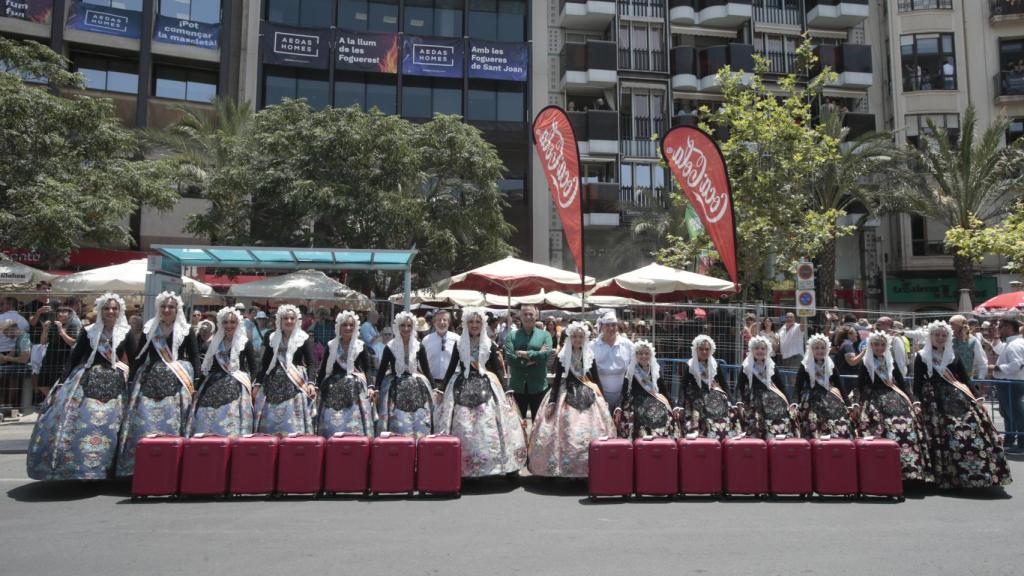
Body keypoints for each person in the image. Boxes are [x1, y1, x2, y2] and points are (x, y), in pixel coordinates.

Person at [27, 293, 135, 481]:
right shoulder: (89, 331)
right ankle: (82, 468)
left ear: (119, 311)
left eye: (114, 308)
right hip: (86, 379)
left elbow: (133, 360)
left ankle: (110, 467)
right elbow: (75, 357)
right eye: (106, 308)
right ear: (100, 310)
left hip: (116, 382)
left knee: (113, 425)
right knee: (82, 422)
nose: (110, 311)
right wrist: (63, 381)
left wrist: (133, 384)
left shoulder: (126, 332)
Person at [914, 321, 1011, 489]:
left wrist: (978, 397)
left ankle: (977, 474)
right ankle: (947, 476)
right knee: (943, 437)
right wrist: (916, 401)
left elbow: (965, 379)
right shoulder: (922, 356)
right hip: (934, 402)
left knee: (970, 431)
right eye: (937, 335)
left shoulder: (954, 355)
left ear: (948, 337)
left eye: (944, 335)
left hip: (958, 398)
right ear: (930, 336)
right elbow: (917, 383)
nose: (940, 338)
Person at [116, 291, 199, 477]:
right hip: (150, 377)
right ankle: (141, 465)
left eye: (171, 307)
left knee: (175, 418)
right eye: (163, 306)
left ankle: (173, 464)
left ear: (177, 309)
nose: (167, 310)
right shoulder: (150, 328)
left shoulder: (186, 330)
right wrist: (131, 378)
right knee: (143, 417)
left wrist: (197, 381)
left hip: (178, 379)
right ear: (158, 308)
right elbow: (140, 355)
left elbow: (194, 356)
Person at [437, 307, 527, 478]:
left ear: (482, 324)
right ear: (465, 324)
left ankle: (490, 466)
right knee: (463, 425)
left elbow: (498, 369)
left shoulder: (489, 344)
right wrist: (441, 389)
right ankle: (463, 468)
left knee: (489, 425)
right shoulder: (459, 344)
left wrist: (506, 389)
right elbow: (451, 368)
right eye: (471, 322)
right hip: (462, 385)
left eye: (478, 322)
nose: (474, 325)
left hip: (487, 386)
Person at [527, 321, 615, 478]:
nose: (577, 339)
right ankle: (567, 468)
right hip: (566, 392)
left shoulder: (589, 355)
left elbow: (596, 379)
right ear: (570, 338)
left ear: (585, 339)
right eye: (575, 336)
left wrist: (603, 397)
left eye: (581, 337)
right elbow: (556, 380)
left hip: (588, 391)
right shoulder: (563, 356)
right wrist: (552, 400)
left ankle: (589, 468)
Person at [851, 331, 932, 482]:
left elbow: (902, 384)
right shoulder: (866, 362)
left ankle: (910, 470)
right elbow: (859, 385)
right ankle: (883, 471)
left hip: (894, 397)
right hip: (873, 399)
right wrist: (856, 402)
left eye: (883, 345)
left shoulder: (891, 362)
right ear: (871, 346)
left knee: (908, 425)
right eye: (876, 345)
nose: (879, 348)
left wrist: (913, 400)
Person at [187, 306, 257, 437]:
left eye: (232, 322)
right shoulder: (214, 343)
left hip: (237, 383)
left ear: (238, 324)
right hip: (214, 382)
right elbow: (207, 368)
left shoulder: (245, 343)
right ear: (220, 324)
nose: (229, 325)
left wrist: (253, 386)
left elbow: (253, 367)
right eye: (225, 322)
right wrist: (197, 387)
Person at [254, 304, 317, 435]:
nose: (289, 321)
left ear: (296, 320)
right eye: (286, 318)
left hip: (296, 383)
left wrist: (311, 382)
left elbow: (311, 362)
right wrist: (258, 383)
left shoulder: (303, 338)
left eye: (292, 318)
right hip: (272, 382)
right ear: (280, 320)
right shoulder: (272, 337)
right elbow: (265, 364)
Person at [374, 311, 434, 437]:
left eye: (409, 326)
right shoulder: (390, 346)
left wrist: (435, 389)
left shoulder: (419, 346)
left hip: (417, 386)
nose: (406, 329)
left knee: (419, 418)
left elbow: (426, 369)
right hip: (395, 385)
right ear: (397, 327)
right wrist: (376, 388)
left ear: (413, 327)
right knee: (397, 419)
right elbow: (382, 369)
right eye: (402, 325)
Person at [316, 310, 374, 437]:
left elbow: (368, 368)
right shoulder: (331, 345)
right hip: (332, 387)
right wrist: (316, 386)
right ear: (339, 327)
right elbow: (324, 368)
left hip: (355, 387)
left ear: (355, 327)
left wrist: (370, 386)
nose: (348, 328)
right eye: (345, 325)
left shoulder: (360, 346)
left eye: (351, 325)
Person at [679, 335, 742, 439]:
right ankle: (696, 430)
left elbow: (724, 385)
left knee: (725, 403)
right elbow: (683, 385)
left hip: (713, 393)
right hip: (696, 394)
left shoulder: (715, 365)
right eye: (701, 349)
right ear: (696, 350)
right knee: (698, 404)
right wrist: (679, 404)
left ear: (711, 350)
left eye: (707, 349)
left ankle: (728, 431)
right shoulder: (690, 365)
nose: (704, 352)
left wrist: (733, 401)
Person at [737, 336, 799, 439]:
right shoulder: (746, 366)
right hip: (752, 399)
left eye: (763, 348)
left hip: (772, 399)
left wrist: (791, 403)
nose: (760, 351)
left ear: (767, 350)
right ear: (752, 350)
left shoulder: (772, 366)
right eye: (757, 348)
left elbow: (781, 386)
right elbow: (740, 386)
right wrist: (739, 402)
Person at [795, 333, 854, 439]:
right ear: (811, 350)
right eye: (816, 348)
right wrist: (794, 402)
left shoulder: (831, 365)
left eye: (823, 348)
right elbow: (797, 386)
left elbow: (840, 385)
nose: (820, 350)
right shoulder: (805, 365)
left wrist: (847, 403)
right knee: (812, 420)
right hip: (810, 398)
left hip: (829, 396)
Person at [614, 340, 675, 439]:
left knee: (665, 413)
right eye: (640, 353)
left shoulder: (655, 370)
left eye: (646, 353)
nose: (644, 356)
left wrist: (675, 406)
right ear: (636, 355)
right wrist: (618, 406)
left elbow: (664, 390)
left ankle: (661, 441)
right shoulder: (631, 371)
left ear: (650, 355)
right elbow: (624, 391)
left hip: (654, 401)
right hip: (636, 403)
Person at [504, 305, 552, 421]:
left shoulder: (545, 335)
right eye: (525, 314)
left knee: (539, 423)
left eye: (531, 314)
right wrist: (535, 356)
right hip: (517, 387)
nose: (528, 317)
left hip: (539, 386)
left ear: (536, 316)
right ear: (520, 316)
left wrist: (524, 353)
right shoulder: (512, 336)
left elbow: (546, 356)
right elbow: (510, 359)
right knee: (517, 424)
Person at [989, 318, 1024, 453]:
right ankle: (1010, 440)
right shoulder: (1012, 343)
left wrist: (996, 368)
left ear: (1009, 327)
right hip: (1009, 383)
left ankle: (1021, 444)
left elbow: (1017, 364)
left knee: (1015, 414)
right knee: (1008, 413)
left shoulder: (1015, 344)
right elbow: (999, 349)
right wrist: (996, 336)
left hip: (1011, 383)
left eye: (1001, 327)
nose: (999, 329)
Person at [589, 311, 634, 411]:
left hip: (623, 396)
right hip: (598, 395)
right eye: (607, 325)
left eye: (613, 325)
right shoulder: (592, 346)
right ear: (601, 326)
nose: (611, 328)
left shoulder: (627, 345)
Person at [36, 305, 80, 400]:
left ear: (69, 315)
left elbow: (73, 343)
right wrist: (45, 330)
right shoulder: (53, 325)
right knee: (42, 384)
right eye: (58, 312)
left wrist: (61, 331)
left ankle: (56, 402)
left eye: (63, 312)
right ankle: (53, 401)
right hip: (49, 358)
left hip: (64, 359)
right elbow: (43, 342)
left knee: (59, 385)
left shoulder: (73, 325)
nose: (60, 314)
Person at [421, 309, 460, 389]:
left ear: (449, 322)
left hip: (452, 383)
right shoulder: (426, 340)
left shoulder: (457, 339)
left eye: (445, 320)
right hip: (431, 383)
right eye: (439, 320)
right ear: (434, 322)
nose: (442, 322)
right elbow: (421, 364)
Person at [949, 315, 987, 380]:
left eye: (953, 326)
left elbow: (982, 363)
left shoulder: (973, 341)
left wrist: (981, 379)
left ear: (961, 327)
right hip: (951, 380)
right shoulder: (949, 341)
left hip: (967, 380)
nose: (951, 329)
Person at [833, 325, 864, 395]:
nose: (856, 335)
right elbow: (852, 362)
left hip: (845, 378)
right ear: (849, 335)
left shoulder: (844, 344)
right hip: (847, 379)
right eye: (855, 333)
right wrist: (864, 352)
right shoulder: (848, 345)